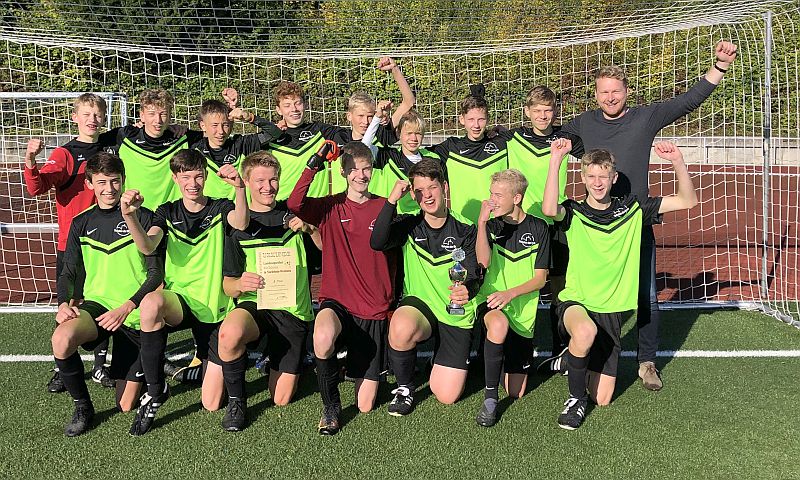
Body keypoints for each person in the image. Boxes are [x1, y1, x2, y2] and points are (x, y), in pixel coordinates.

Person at [559, 41, 737, 390]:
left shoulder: (645, 117)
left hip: (636, 222)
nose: (610, 97)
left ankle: (646, 362)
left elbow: (688, 101)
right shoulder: (583, 123)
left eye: (616, 91)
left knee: (647, 295)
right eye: (603, 91)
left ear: (627, 91)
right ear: (595, 94)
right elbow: (552, 138)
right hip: (594, 228)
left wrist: (719, 66)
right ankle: (576, 348)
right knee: (585, 291)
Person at [542, 139, 698, 430]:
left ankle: (573, 357)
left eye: (603, 176)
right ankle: (575, 400)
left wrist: (678, 161)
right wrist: (555, 161)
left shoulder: (633, 209)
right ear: (583, 178)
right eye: (591, 176)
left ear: (614, 178)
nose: (597, 182)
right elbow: (549, 208)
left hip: (610, 312)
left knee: (602, 398)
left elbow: (687, 201)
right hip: (577, 302)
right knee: (585, 332)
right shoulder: (574, 211)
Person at [120, 149, 249, 436]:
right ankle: (156, 390)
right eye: (186, 176)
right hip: (181, 303)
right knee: (151, 303)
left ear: (205, 176)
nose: (193, 183)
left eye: (199, 176)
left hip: (216, 307)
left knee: (212, 402)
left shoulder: (220, 206)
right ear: (176, 177)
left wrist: (240, 188)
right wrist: (130, 217)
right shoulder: (166, 211)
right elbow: (148, 246)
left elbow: (240, 223)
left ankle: (206, 364)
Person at [51, 152, 163, 436]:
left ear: (123, 181)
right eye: (102, 182)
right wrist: (64, 303)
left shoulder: (144, 218)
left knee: (125, 404)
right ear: (90, 184)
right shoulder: (81, 222)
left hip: (134, 312)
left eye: (115, 182)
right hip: (99, 306)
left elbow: (155, 276)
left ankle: (153, 366)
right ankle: (82, 407)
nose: (109, 189)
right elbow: (69, 271)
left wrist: (128, 306)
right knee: (61, 338)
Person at [207, 151, 320, 431]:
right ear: (246, 182)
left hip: (291, 310)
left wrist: (310, 229)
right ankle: (237, 402)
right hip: (254, 307)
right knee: (229, 333)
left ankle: (283, 354)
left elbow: (328, 252)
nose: (267, 187)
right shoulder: (236, 224)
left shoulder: (293, 217)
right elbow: (228, 285)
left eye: (273, 180)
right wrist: (241, 284)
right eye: (259, 180)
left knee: (280, 399)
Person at [288, 141, 395, 435]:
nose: (361, 175)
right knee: (322, 336)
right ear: (344, 172)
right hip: (338, 302)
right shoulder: (329, 206)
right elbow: (295, 203)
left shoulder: (385, 206)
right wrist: (315, 160)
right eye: (354, 170)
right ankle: (331, 406)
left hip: (372, 309)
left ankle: (356, 367)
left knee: (365, 404)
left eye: (366, 169)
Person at [370, 159, 481, 416]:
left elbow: (475, 270)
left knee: (446, 395)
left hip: (455, 312)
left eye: (432, 187)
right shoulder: (410, 224)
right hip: (421, 306)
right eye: (419, 190)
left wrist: (469, 289)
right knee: (400, 326)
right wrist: (391, 201)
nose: (427, 195)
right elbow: (377, 242)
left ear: (444, 187)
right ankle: (405, 388)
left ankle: (440, 357)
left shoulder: (465, 228)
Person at [24, 93, 118, 392]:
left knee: (105, 300)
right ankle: (61, 365)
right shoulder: (65, 154)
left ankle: (101, 366)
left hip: (109, 242)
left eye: (98, 113)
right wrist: (30, 160)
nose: (92, 119)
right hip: (74, 244)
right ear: (75, 117)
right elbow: (38, 187)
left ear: (104, 118)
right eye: (86, 113)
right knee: (71, 302)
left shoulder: (113, 149)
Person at [503, 85, 584, 375]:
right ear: (527, 112)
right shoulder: (512, 137)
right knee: (518, 284)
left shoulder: (565, 140)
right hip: (520, 224)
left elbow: (594, 157)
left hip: (555, 224)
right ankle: (511, 349)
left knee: (558, 289)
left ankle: (560, 352)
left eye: (548, 110)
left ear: (555, 112)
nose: (542, 116)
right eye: (537, 110)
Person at [474, 169, 550, 427]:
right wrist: (482, 224)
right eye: (491, 193)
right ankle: (490, 399)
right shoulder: (492, 224)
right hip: (492, 302)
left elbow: (540, 279)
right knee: (498, 324)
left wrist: (511, 293)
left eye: (497, 195)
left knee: (517, 391)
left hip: (522, 313)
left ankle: (494, 355)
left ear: (516, 198)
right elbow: (483, 260)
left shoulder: (539, 228)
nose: (491, 199)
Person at [430, 84, 509, 223]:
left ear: (488, 119)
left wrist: (503, 131)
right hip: (463, 226)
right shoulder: (450, 148)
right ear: (462, 120)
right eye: (471, 119)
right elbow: (416, 153)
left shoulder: (502, 144)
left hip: (497, 224)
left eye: (481, 119)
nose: (476, 125)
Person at [114, 88, 204, 210]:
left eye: (163, 114)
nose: (158, 120)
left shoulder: (181, 137)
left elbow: (214, 133)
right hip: (135, 211)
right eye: (151, 114)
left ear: (170, 115)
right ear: (142, 115)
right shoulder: (125, 136)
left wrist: (233, 109)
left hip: (171, 215)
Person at [192, 93, 283, 199]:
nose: (221, 131)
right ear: (203, 126)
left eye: (225, 125)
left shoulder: (242, 144)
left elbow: (275, 133)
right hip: (210, 213)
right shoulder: (194, 148)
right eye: (215, 125)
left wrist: (249, 117)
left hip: (241, 212)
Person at [363, 108, 443, 214]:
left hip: (422, 222)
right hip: (393, 220)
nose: (413, 138)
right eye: (409, 133)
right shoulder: (387, 156)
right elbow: (363, 148)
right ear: (399, 133)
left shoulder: (433, 159)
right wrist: (377, 118)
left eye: (418, 133)